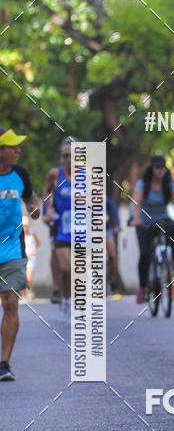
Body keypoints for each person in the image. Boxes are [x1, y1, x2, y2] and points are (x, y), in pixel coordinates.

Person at [0, 127, 41, 380]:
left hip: (12, 249)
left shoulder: (20, 175)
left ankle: (4, 363)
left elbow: (32, 199)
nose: (18, 150)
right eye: (12, 146)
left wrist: (34, 208)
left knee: (10, 301)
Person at [132, 155, 174, 304]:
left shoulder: (169, 183)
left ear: (165, 169)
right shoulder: (143, 183)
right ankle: (142, 288)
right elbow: (136, 202)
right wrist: (136, 219)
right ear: (152, 169)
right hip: (145, 222)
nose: (160, 171)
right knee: (145, 255)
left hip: (162, 219)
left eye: (162, 168)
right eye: (157, 168)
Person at [43, 136, 77, 320]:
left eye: (72, 156)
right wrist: (48, 209)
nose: (68, 160)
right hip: (61, 227)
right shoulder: (55, 174)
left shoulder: (87, 175)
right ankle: (64, 297)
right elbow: (47, 192)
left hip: (81, 228)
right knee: (65, 268)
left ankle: (74, 301)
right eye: (65, 156)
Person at [106, 195, 121, 293]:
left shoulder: (107, 200)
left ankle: (112, 281)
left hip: (106, 230)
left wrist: (118, 225)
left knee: (112, 255)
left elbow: (115, 212)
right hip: (91, 231)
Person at [22, 215, 41, 296]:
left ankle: (29, 291)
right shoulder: (19, 234)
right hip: (21, 258)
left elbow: (38, 243)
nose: (25, 227)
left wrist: (34, 250)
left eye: (26, 225)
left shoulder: (32, 233)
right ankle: (23, 294)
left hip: (30, 258)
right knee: (22, 277)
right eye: (24, 225)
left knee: (29, 277)